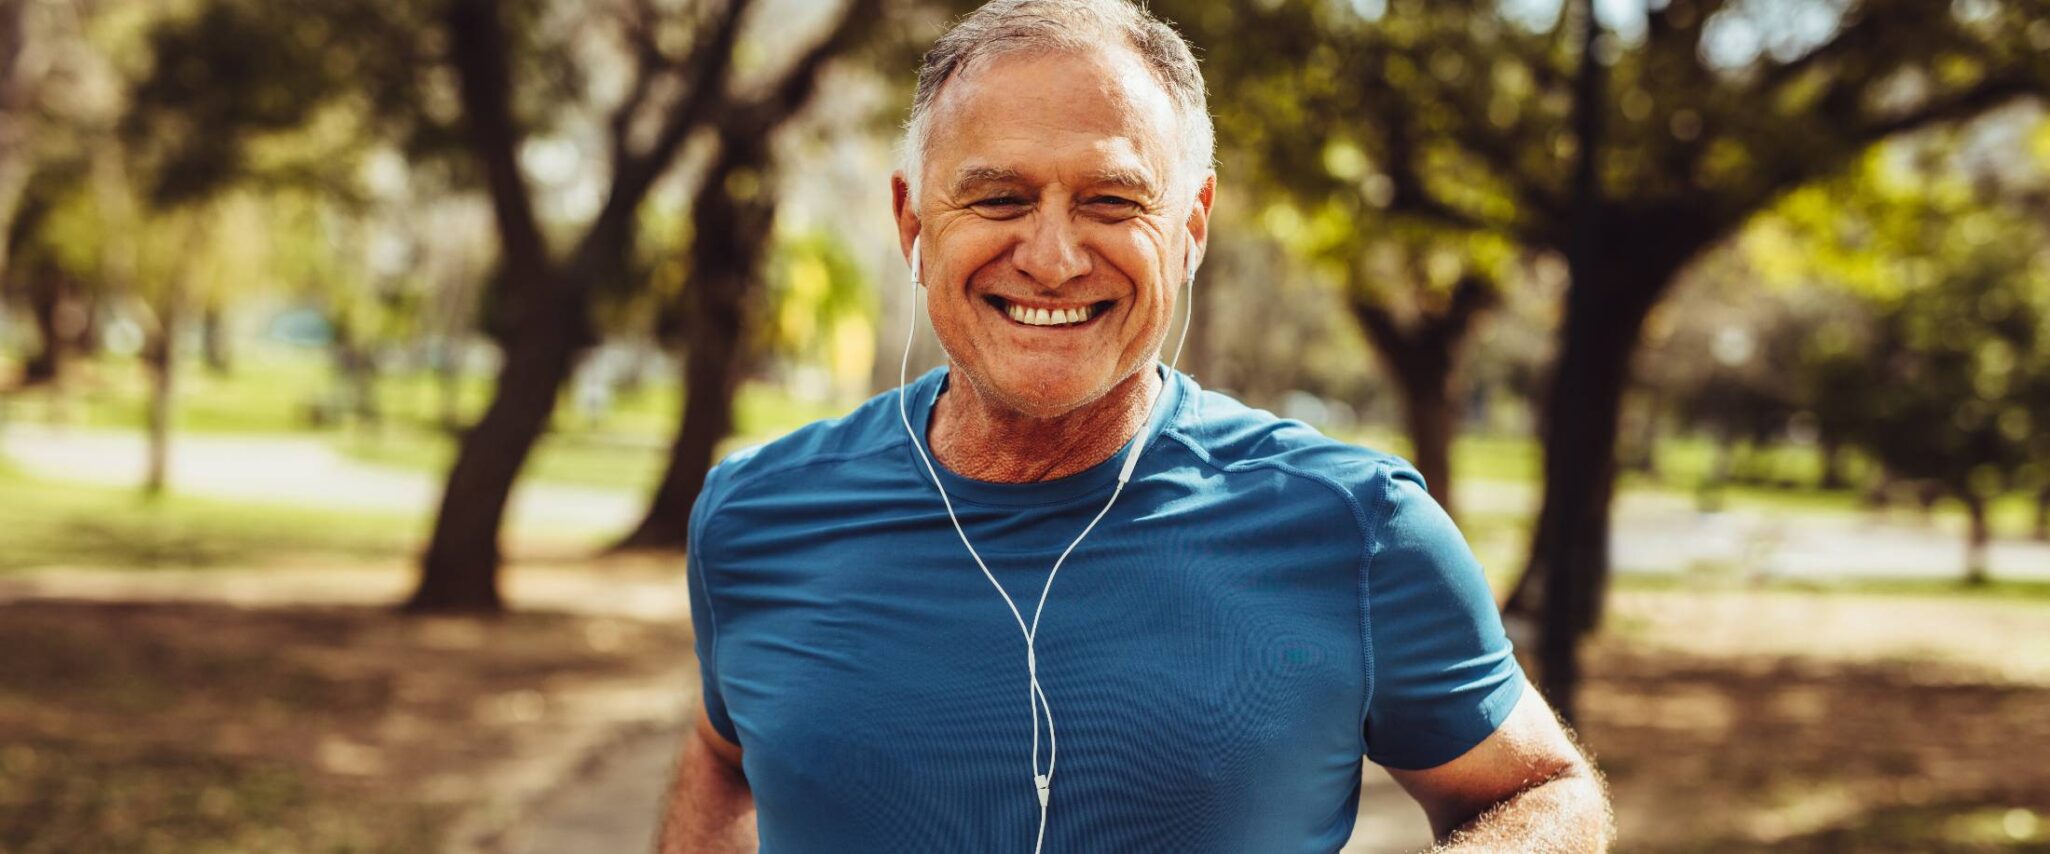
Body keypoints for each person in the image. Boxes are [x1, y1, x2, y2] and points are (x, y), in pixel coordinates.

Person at [659, 1, 1612, 850]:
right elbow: (723, 753)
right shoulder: (756, 515)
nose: (1053, 256)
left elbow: (1543, 791)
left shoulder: (1356, 527)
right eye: (999, 197)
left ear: (1191, 225)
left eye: (1112, 201)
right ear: (913, 222)